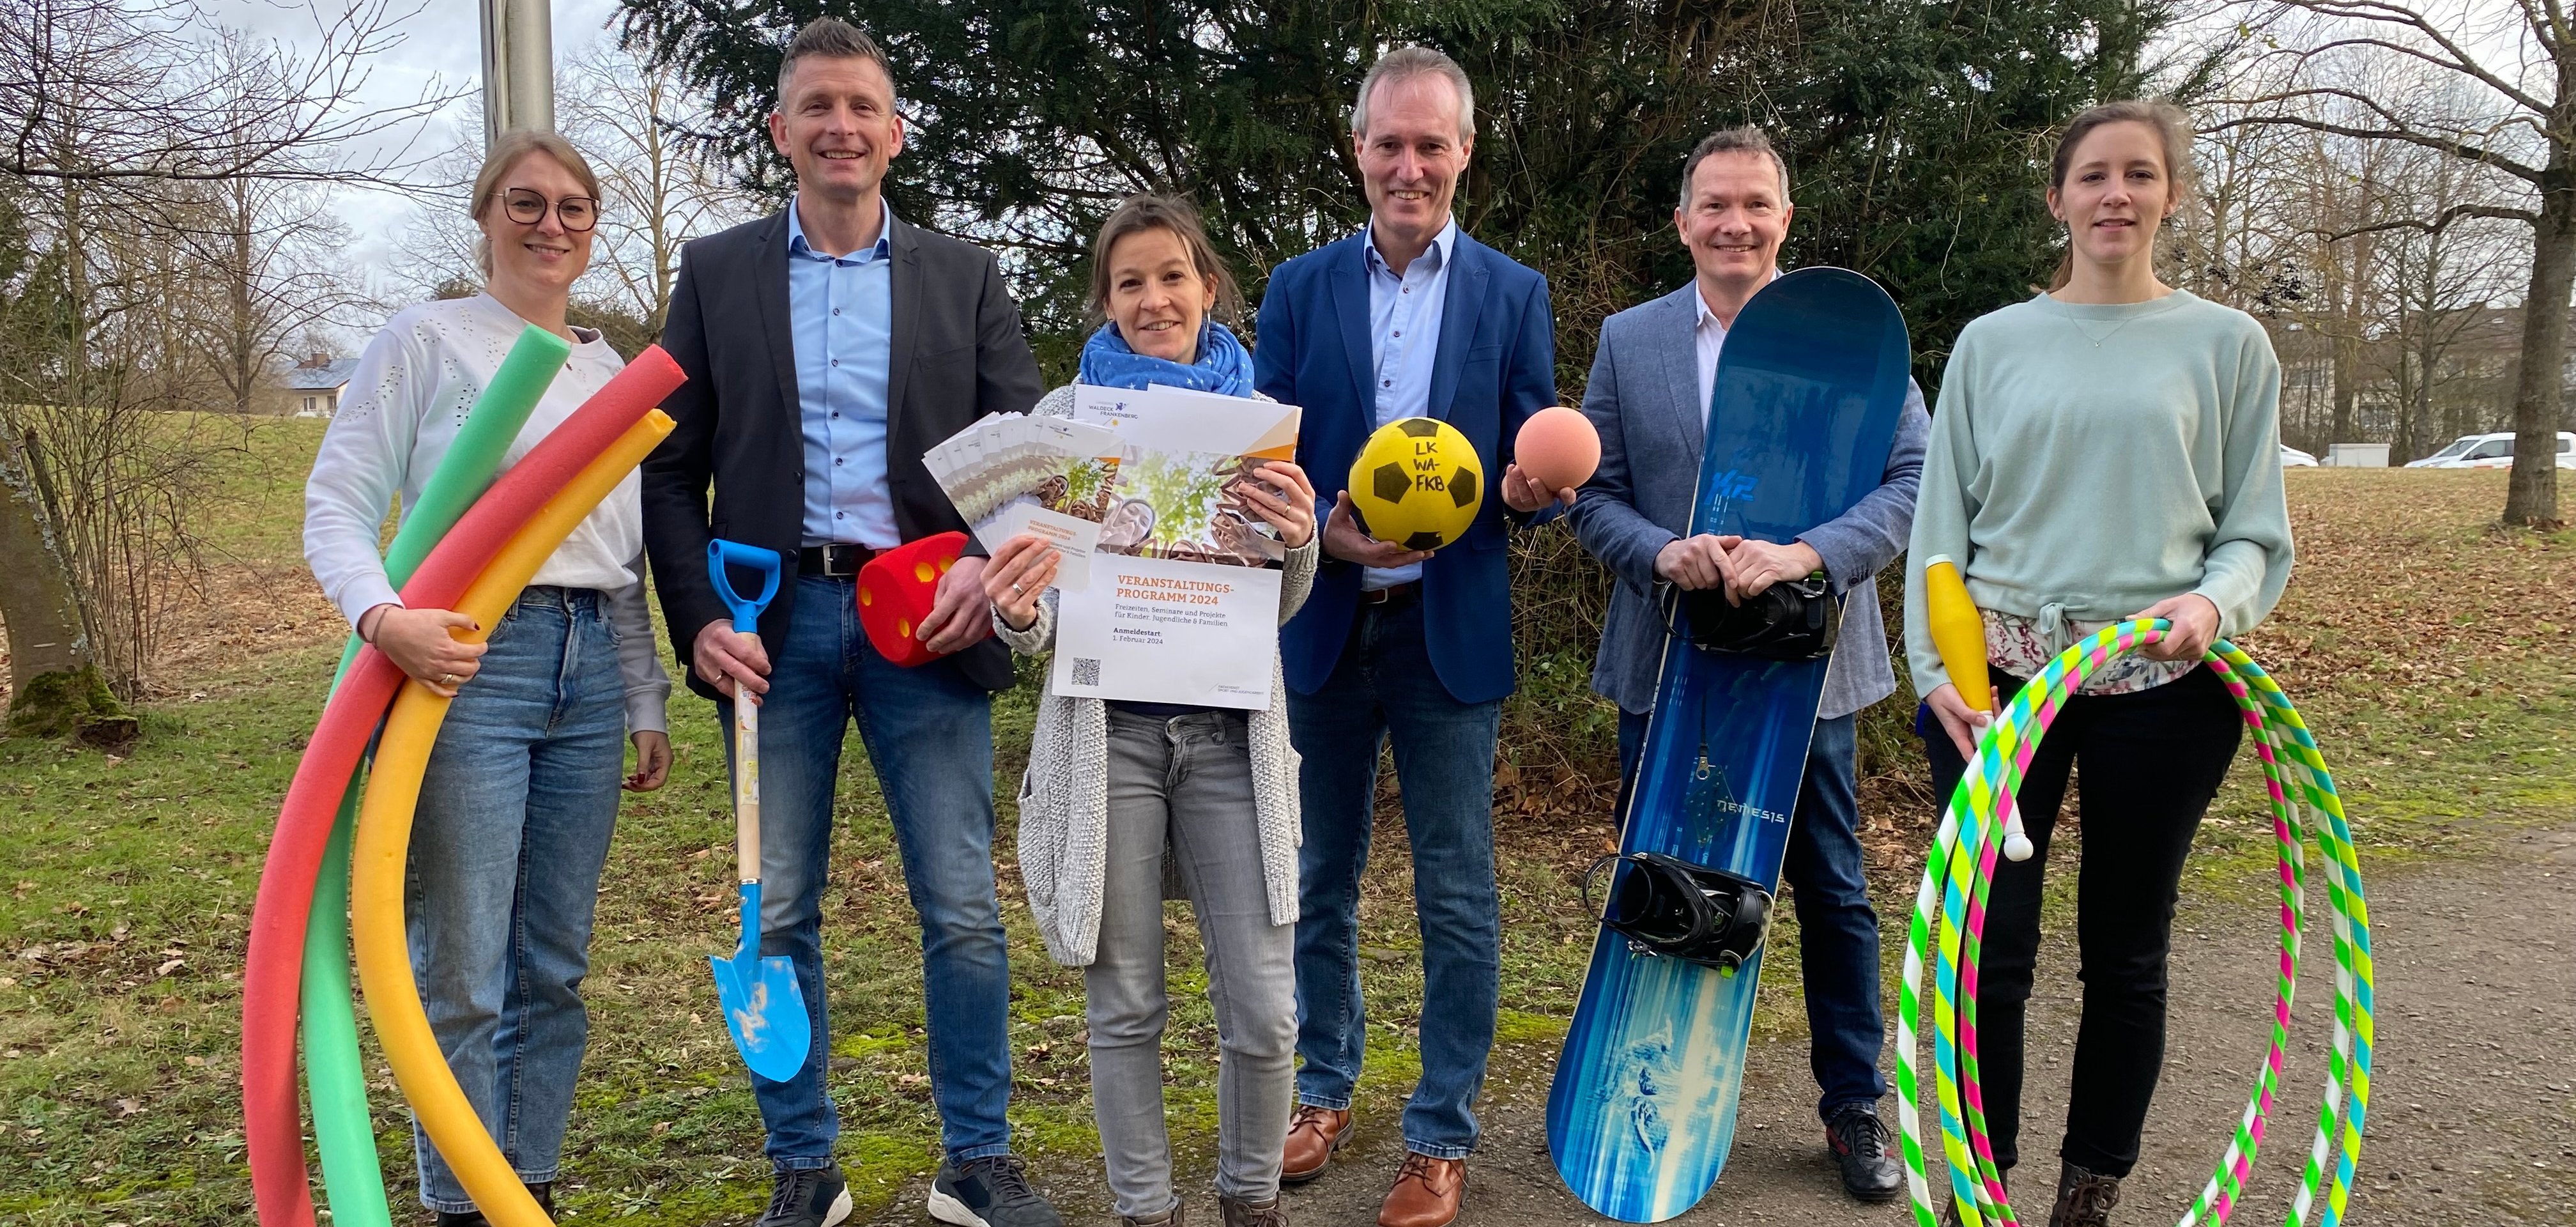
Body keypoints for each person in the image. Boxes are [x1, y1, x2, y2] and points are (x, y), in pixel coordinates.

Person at [636, 19, 1059, 1227]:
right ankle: (804, 1166)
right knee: (779, 908)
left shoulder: (963, 275)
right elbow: (669, 472)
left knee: (961, 909)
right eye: (816, 106)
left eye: (862, 108)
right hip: (772, 634)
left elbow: (1023, 454)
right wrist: (701, 617)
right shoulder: (716, 272)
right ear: (782, 131)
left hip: (926, 625)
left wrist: (993, 560)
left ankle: (977, 1161)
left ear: (894, 133)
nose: (840, 126)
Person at [1903, 100, 2292, 1227]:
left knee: (2125, 948)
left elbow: (2255, 531)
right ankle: (1986, 1181)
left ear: (2171, 193)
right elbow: (1941, 533)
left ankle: (2091, 1190)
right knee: (1992, 953)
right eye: (2093, 176)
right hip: (2002, 691)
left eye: (2138, 175)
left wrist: (2215, 607)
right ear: (2059, 198)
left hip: (2161, 688)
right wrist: (1941, 675)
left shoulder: (2228, 345)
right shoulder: (1992, 343)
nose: (2114, 195)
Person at [302, 130, 673, 1225]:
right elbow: (338, 504)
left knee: (551, 961)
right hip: (464, 658)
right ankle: (462, 1204)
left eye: (572, 206)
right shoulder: (428, 340)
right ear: (484, 217)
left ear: (594, 228)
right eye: (525, 203)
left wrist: (644, 699)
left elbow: (622, 557)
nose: (550, 224)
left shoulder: (611, 369)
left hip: (589, 664)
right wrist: (385, 622)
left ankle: (528, 1186)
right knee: (464, 962)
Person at [1564, 125, 1928, 1203]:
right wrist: (1659, 550)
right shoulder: (1630, 343)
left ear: (1785, 218)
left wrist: (1811, 552)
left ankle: (1853, 1107)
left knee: (1833, 887)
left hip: (1804, 669)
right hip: (1670, 666)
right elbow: (1589, 489)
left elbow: (1911, 480)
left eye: (1755, 205)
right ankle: (1644, 1098)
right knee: (1663, 881)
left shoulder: (1848, 344)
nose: (1735, 223)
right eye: (1714, 205)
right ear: (1683, 222)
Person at [1253, 45, 1572, 1227]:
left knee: (1456, 889)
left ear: (1465, 153)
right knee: (1318, 878)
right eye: (1389, 141)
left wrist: (1540, 490)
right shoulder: (1297, 289)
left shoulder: (1511, 292)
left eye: (1431, 143)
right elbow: (1263, 450)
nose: (1409, 163)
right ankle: (1325, 1090)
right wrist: (1314, 536)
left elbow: (1536, 444)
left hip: (1450, 633)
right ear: (1359, 150)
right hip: (1324, 624)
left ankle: (1441, 1133)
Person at [983, 194, 1321, 1227]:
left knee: (1264, 1012)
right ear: (1107, 300)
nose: (1153, 298)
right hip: (1110, 737)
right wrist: (1015, 611)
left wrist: (1301, 537)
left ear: (1206, 286)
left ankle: (1249, 1201)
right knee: (1124, 1003)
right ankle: (1146, 1210)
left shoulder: (1258, 424)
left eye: (1171, 275)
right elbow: (1032, 614)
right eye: (1129, 281)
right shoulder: (1056, 430)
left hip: (1232, 741)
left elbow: (1279, 601)